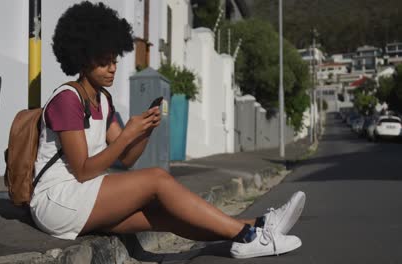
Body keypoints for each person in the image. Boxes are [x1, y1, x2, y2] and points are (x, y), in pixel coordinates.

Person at [29, 1, 306, 259]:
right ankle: (249, 235)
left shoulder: (103, 99)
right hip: (57, 201)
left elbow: (126, 160)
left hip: (84, 193)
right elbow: (83, 170)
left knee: (163, 215)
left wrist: (145, 129)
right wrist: (127, 134)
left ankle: (259, 226)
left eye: (114, 60)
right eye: (104, 62)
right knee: (158, 179)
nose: (113, 69)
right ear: (82, 60)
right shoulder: (67, 99)